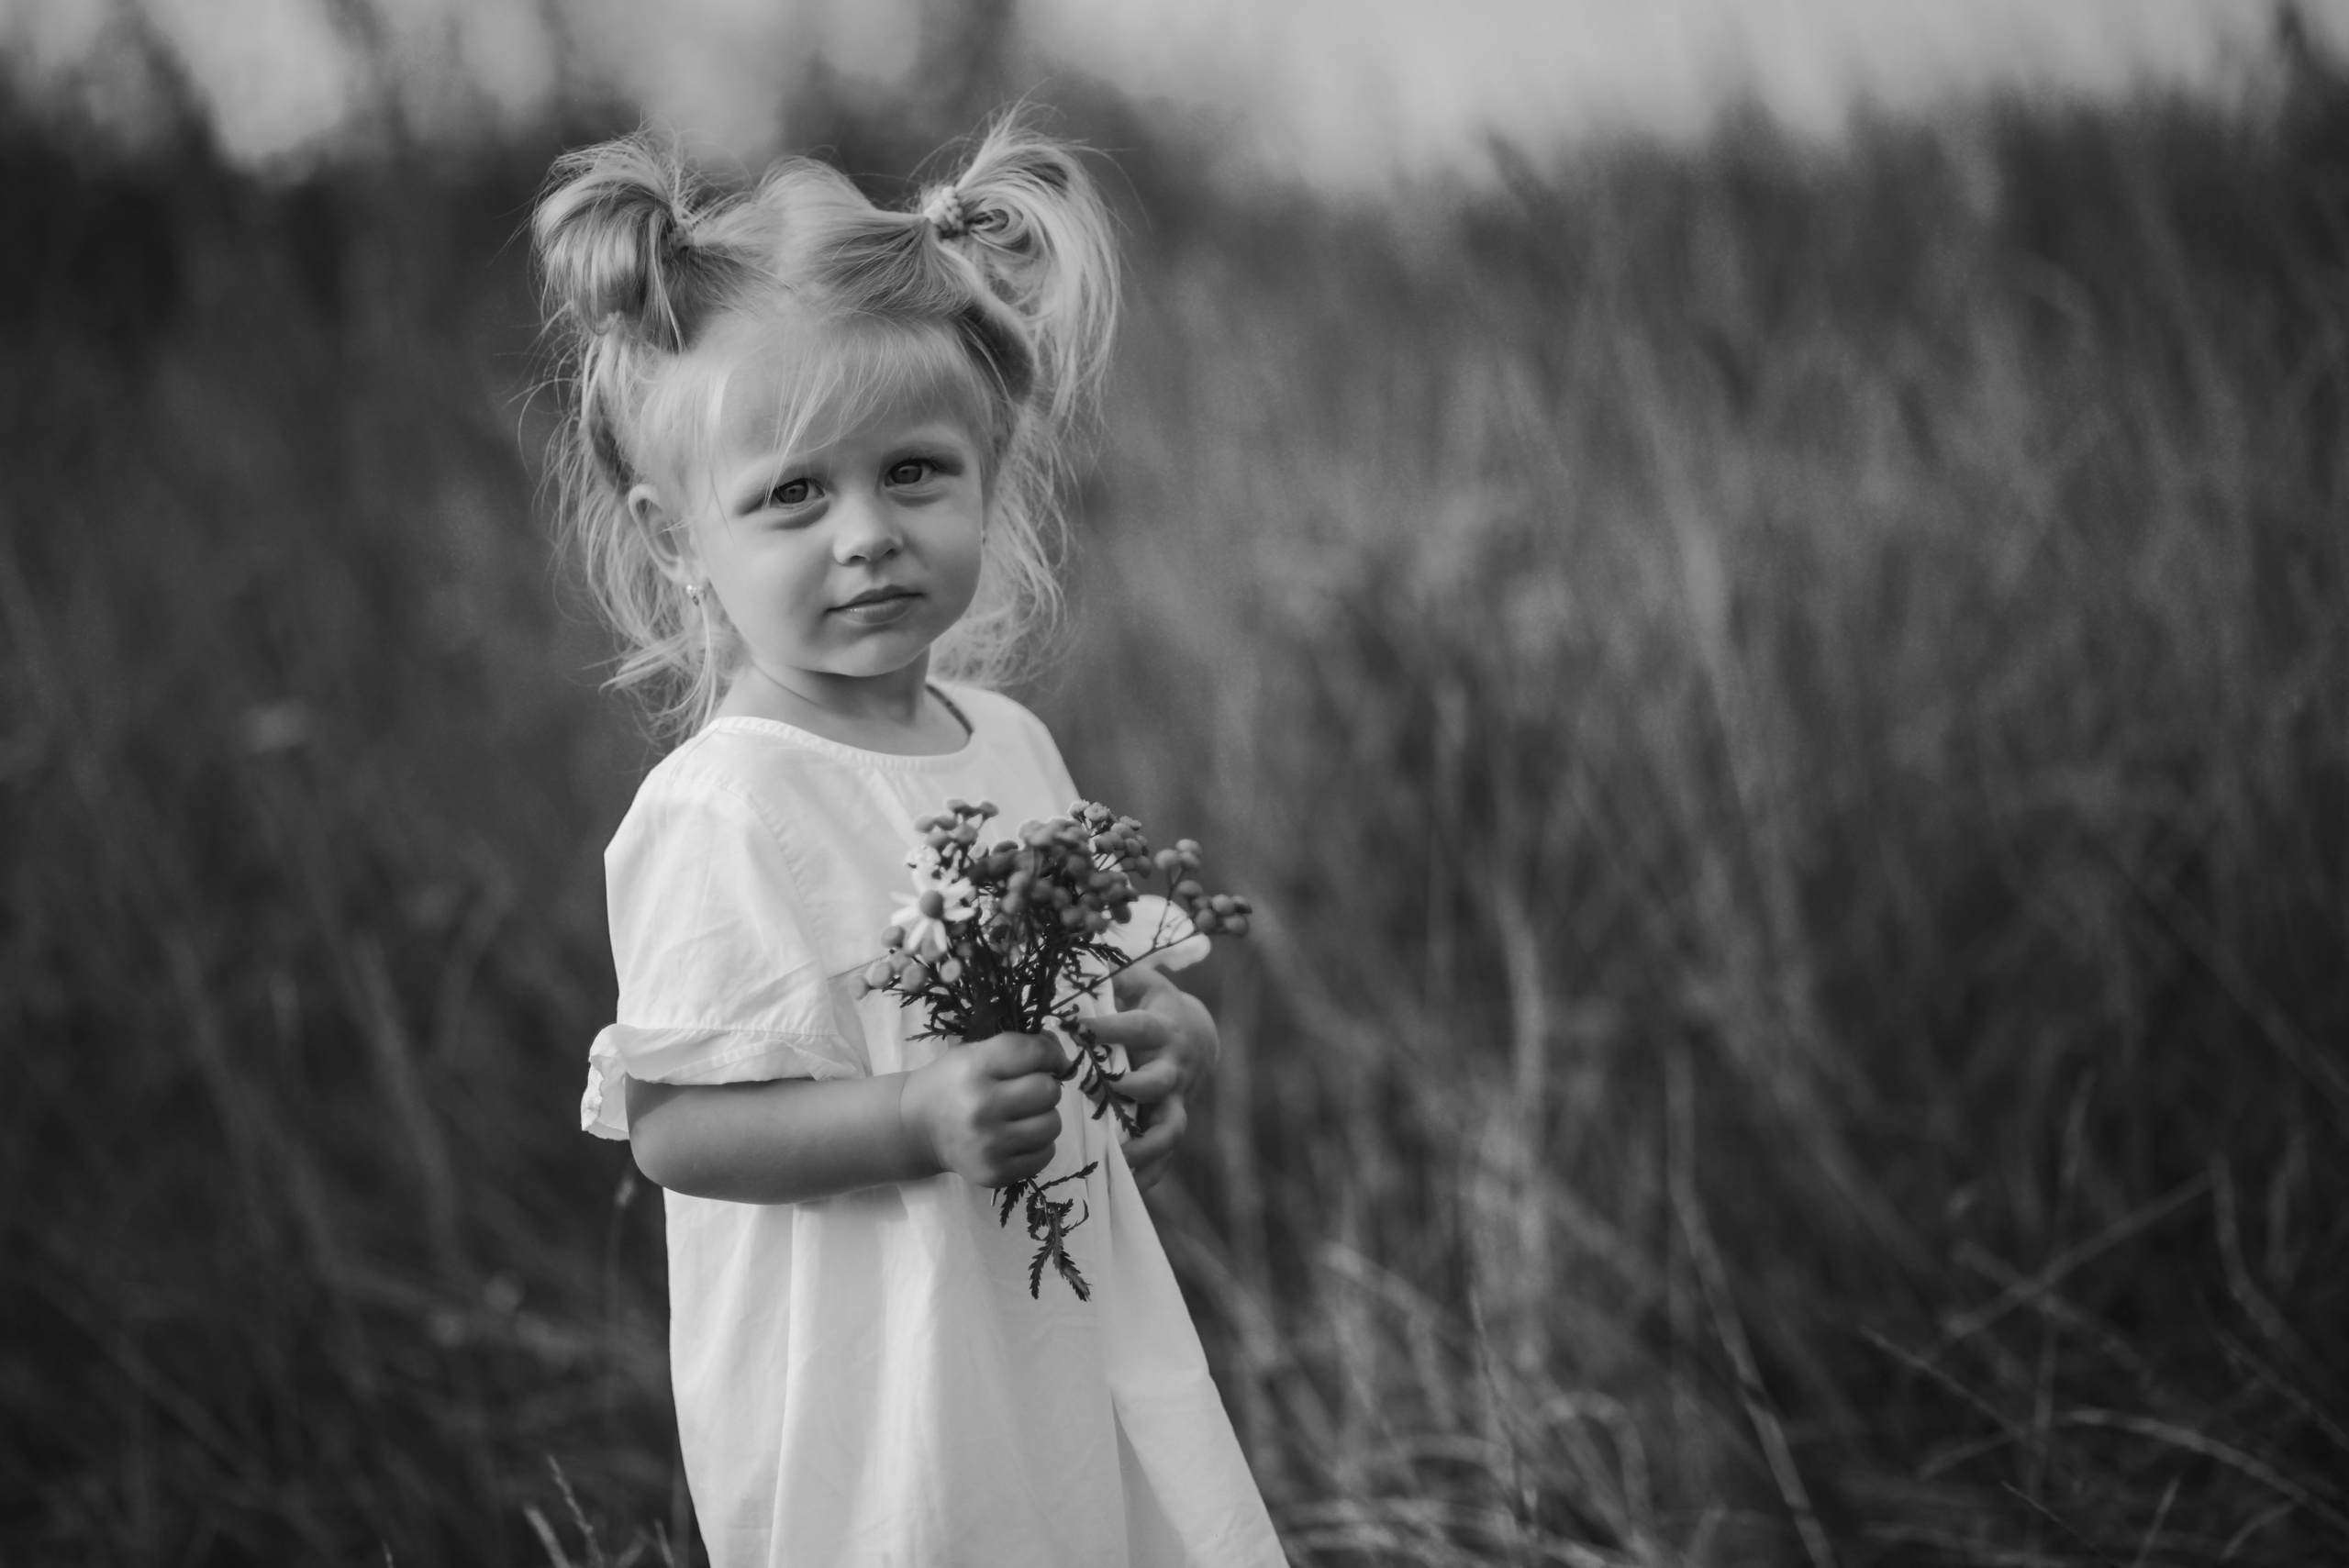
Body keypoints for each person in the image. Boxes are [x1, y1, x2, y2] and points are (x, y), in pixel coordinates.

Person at [535, 117, 1287, 1568]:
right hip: (882, 1380)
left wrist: (1162, 1032)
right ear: (679, 536)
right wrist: (914, 1120)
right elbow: (682, 1127)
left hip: (1055, 1328)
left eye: (916, 473)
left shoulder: (1006, 745)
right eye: (794, 495)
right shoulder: (730, 804)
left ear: (990, 468)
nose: (866, 532)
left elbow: (1087, 1001)